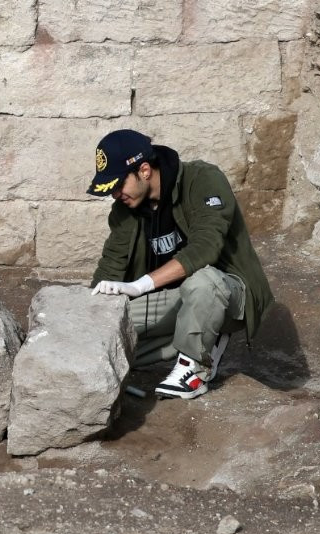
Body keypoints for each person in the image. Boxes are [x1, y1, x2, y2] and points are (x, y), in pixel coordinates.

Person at [87, 129, 273, 399]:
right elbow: (111, 265)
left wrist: (140, 285)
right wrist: (89, 315)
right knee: (109, 344)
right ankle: (199, 337)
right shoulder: (125, 211)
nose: (115, 194)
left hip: (228, 291)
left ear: (145, 170)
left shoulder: (203, 179)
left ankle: (195, 370)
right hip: (173, 299)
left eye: (118, 184)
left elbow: (206, 248)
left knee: (203, 281)